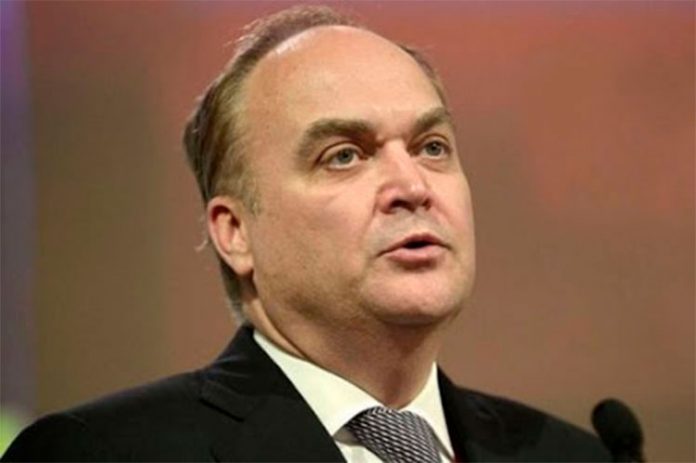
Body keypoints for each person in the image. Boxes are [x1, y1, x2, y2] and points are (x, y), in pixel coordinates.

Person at [3, 5, 610, 462]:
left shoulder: (573, 456)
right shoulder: (103, 453)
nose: (412, 185)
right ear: (236, 232)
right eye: (344, 156)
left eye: (431, 147)